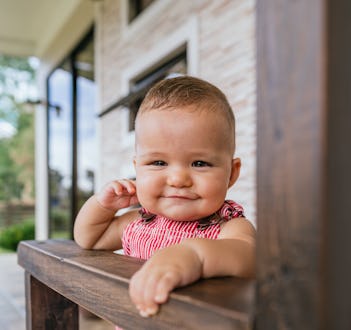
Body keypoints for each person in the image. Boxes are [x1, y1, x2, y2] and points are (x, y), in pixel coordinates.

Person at [74, 76, 256, 318]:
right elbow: (90, 239)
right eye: (158, 162)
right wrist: (102, 205)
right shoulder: (137, 223)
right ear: (137, 168)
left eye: (199, 163)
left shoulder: (228, 228)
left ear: (231, 174)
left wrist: (194, 255)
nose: (178, 179)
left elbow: (249, 256)